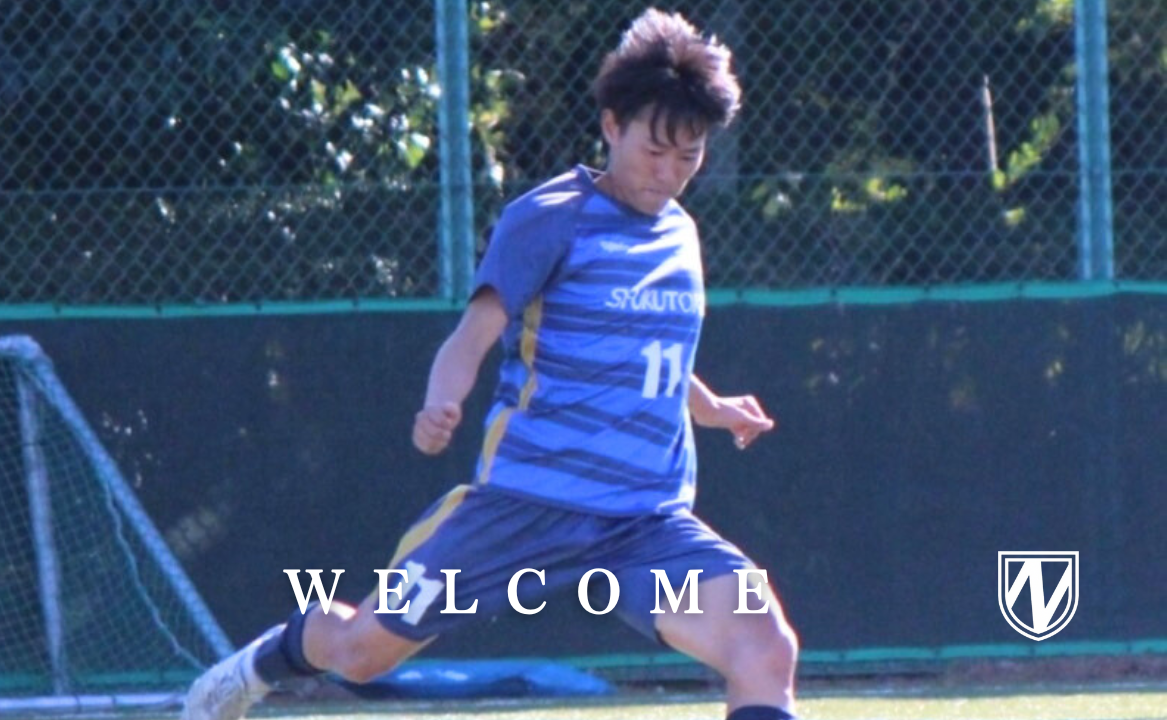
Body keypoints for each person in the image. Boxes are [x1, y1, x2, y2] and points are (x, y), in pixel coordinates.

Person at [182, 8, 799, 720]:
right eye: (654, 150)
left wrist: (710, 408)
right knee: (359, 654)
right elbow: (473, 335)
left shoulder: (681, 234)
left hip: (645, 521)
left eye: (688, 156)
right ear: (611, 126)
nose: (668, 173)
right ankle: (255, 667)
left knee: (765, 648)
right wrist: (440, 401)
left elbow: (636, 352)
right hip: (520, 507)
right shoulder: (550, 217)